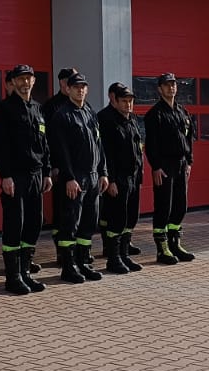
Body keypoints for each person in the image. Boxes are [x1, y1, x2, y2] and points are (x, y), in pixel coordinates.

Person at [0, 64, 52, 295]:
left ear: (33, 81)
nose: (25, 83)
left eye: (28, 79)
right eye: (21, 79)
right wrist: (5, 175)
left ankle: (25, 272)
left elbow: (44, 144)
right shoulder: (3, 110)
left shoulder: (37, 108)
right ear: (13, 82)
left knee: (34, 223)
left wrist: (46, 172)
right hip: (15, 177)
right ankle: (13, 277)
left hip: (36, 176)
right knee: (15, 224)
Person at [48, 72, 109, 283]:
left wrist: (103, 172)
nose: (80, 90)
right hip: (75, 178)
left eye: (83, 87)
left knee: (88, 223)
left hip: (93, 177)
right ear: (68, 89)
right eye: (76, 87)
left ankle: (83, 263)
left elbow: (99, 145)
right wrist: (69, 177)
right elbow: (60, 151)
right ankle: (68, 267)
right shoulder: (62, 115)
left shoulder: (90, 113)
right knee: (70, 223)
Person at [143, 72, 197, 265]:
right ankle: (162, 248)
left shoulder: (182, 112)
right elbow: (151, 145)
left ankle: (175, 244)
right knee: (164, 206)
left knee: (180, 206)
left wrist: (189, 162)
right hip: (164, 166)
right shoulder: (155, 114)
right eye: (166, 85)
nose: (171, 87)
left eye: (173, 84)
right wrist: (156, 167)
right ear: (160, 89)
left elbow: (189, 138)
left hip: (181, 164)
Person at [97, 82, 145, 273]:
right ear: (114, 101)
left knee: (130, 218)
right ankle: (113, 258)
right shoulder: (107, 120)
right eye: (124, 101)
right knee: (116, 219)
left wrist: (139, 175)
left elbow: (138, 148)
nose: (128, 104)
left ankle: (124, 255)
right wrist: (111, 180)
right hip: (118, 179)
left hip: (133, 177)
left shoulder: (132, 119)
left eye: (130, 101)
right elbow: (106, 153)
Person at [39, 67, 78, 272]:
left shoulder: (81, 105)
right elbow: (48, 141)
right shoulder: (51, 107)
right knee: (62, 211)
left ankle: (77, 251)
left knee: (77, 213)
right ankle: (61, 251)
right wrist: (52, 166)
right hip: (60, 169)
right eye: (71, 81)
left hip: (79, 170)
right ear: (63, 83)